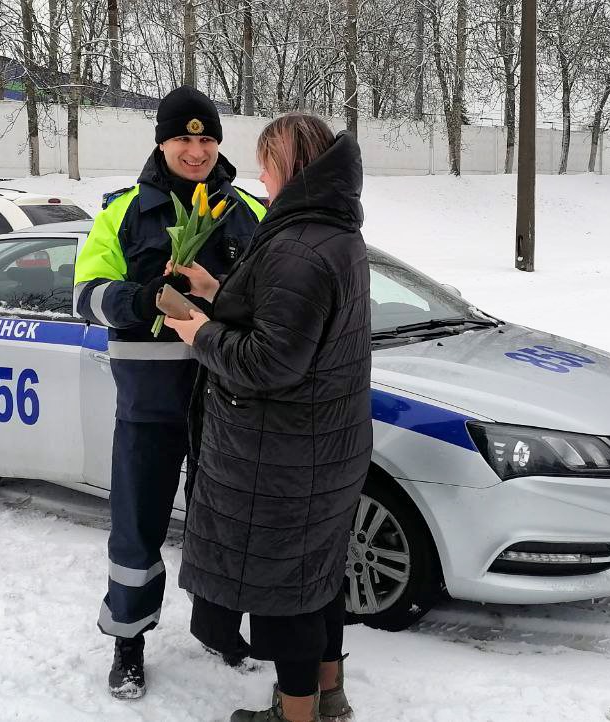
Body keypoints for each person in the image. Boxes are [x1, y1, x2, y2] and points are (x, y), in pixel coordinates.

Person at [164, 114, 372, 722]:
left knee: (288, 597)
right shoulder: (332, 232)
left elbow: (270, 360)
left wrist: (200, 332)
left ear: (288, 166)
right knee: (319, 578)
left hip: (282, 454)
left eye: (265, 163)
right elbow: (290, 315)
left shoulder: (299, 245)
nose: (258, 175)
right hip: (322, 446)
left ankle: (297, 714)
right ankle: (329, 697)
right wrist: (218, 286)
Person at [73, 85, 266, 701]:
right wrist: (139, 299)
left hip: (229, 397)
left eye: (207, 138)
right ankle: (128, 642)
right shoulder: (122, 211)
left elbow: (271, 300)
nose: (196, 150)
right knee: (137, 525)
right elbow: (85, 298)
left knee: (226, 521)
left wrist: (221, 295)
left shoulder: (248, 213)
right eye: (184, 138)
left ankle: (220, 628)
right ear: (161, 140)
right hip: (149, 401)